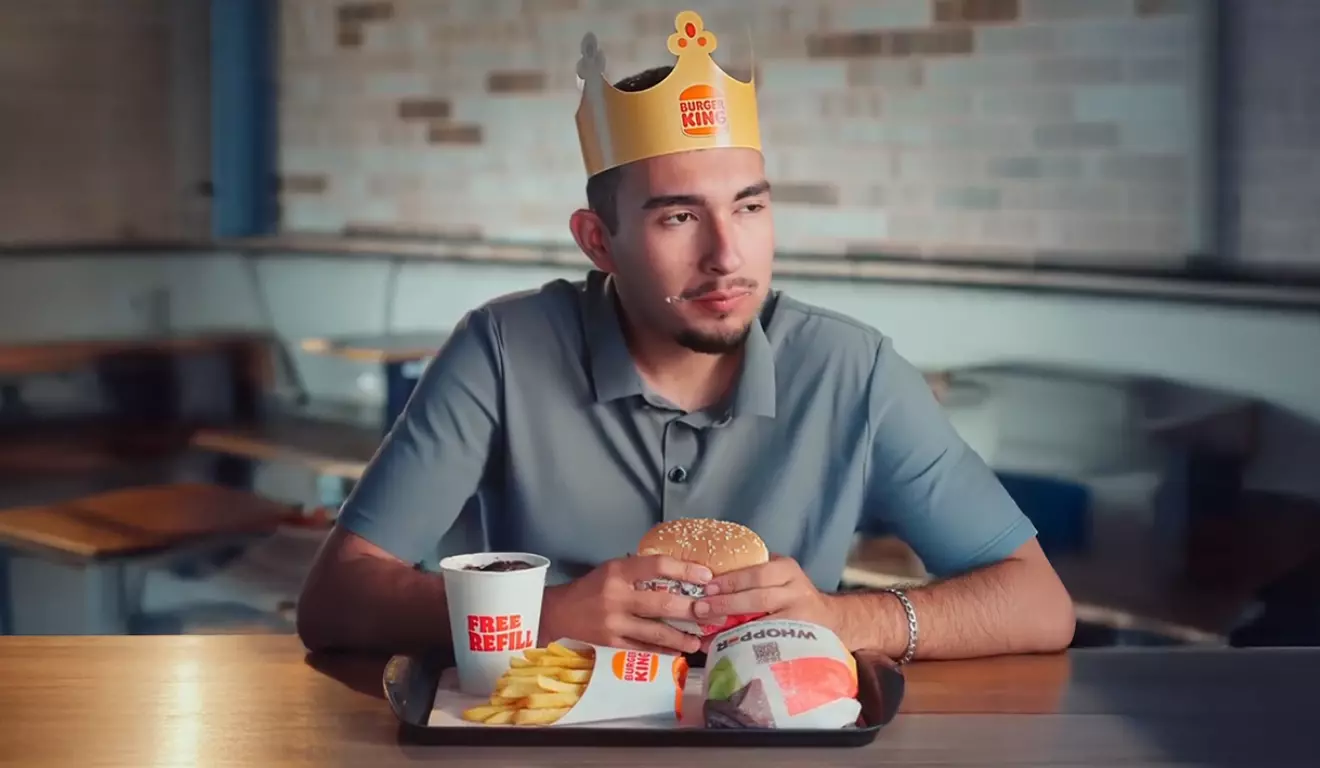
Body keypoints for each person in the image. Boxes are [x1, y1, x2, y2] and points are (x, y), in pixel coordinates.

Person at [297, 10, 1075, 662]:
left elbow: (1040, 604)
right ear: (598, 242)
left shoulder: (853, 367)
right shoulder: (500, 350)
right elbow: (334, 598)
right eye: (678, 216)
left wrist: (844, 620)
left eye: (749, 207)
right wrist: (544, 615)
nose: (728, 256)